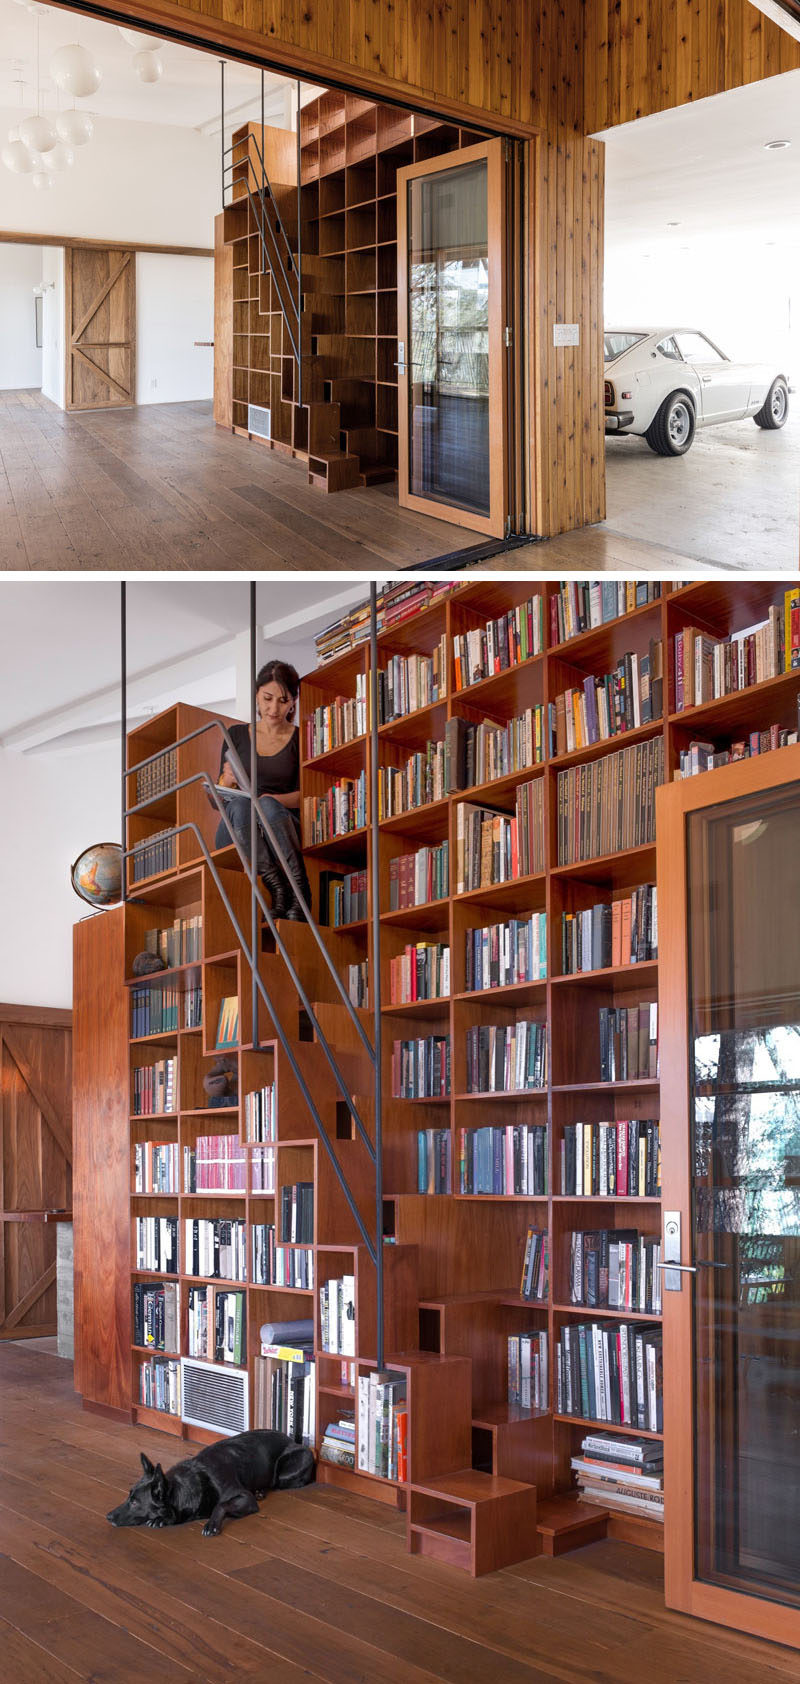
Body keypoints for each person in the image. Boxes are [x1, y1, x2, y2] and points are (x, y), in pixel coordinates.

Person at [215, 660, 310, 920]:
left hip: (279, 821)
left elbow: (310, 793)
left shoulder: (302, 739)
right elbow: (218, 800)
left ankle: (298, 890)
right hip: (239, 824)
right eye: (267, 698)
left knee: (266, 805)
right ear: (257, 694)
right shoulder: (235, 734)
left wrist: (273, 799)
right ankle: (278, 887)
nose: (273, 708)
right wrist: (225, 780)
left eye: (283, 700)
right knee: (243, 805)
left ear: (293, 701)